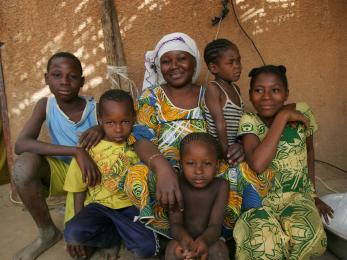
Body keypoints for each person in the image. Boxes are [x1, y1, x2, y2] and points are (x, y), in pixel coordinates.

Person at [123, 32, 244, 241]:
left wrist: (239, 145)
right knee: (136, 177)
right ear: (160, 67)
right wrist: (163, 168)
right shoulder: (150, 97)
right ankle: (167, 235)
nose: (174, 66)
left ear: (194, 62)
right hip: (162, 164)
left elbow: (231, 125)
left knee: (240, 173)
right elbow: (140, 138)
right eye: (167, 61)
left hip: (205, 167)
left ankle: (217, 234)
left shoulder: (209, 93)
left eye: (182, 58)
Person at [234, 65, 333, 259]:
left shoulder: (303, 111)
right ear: (250, 94)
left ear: (286, 94)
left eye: (275, 90)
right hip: (261, 202)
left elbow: (309, 151)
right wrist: (283, 117)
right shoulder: (249, 120)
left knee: (307, 238)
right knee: (264, 247)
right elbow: (258, 164)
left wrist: (313, 194)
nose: (266, 97)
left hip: (297, 198)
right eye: (258, 90)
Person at [12, 52, 103, 260]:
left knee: (81, 249)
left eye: (72, 76)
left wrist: (101, 128)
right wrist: (75, 151)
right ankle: (47, 233)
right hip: (63, 173)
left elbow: (120, 132)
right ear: (46, 79)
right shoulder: (46, 106)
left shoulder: (96, 108)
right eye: (56, 75)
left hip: (93, 177)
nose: (64, 82)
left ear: (82, 81)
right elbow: (21, 144)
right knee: (23, 165)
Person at [64, 89, 158, 259]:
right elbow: (78, 188)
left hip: (131, 208)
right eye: (110, 123)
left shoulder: (137, 144)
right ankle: (113, 238)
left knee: (147, 249)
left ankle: (122, 232)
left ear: (134, 118)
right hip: (98, 207)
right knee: (72, 233)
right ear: (100, 121)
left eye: (125, 121)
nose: (118, 129)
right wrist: (79, 218)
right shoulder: (88, 148)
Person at [165, 132, 229, 260]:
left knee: (219, 250)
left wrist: (204, 241)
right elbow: (175, 224)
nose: (199, 171)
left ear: (216, 165)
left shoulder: (221, 186)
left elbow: (215, 226)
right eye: (190, 163)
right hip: (182, 239)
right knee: (172, 249)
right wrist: (184, 240)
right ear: (181, 164)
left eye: (207, 164)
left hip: (210, 239)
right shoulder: (177, 183)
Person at [203, 38, 244, 161]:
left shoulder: (236, 89)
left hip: (234, 149)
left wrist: (241, 146)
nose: (237, 66)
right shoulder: (214, 88)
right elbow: (219, 123)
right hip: (219, 150)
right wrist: (226, 153)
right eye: (230, 63)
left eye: (238, 61)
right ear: (214, 67)